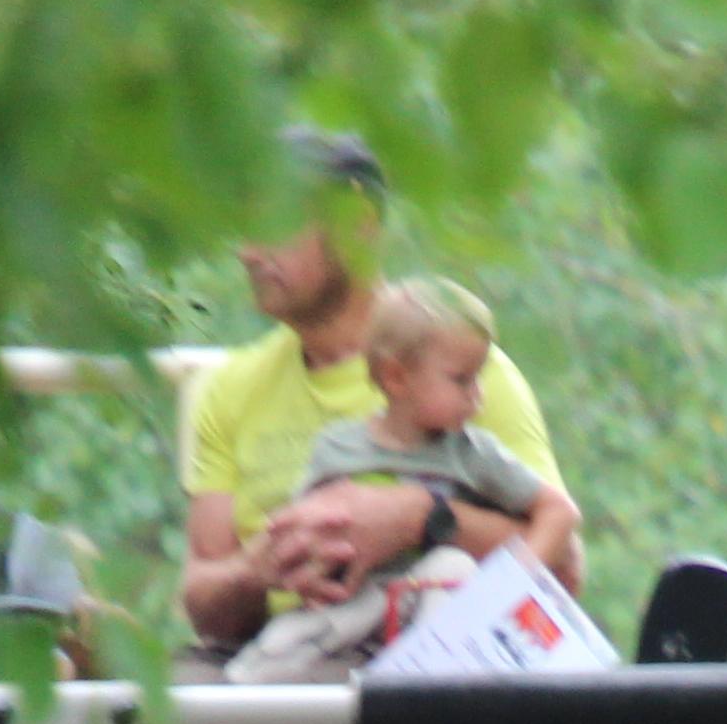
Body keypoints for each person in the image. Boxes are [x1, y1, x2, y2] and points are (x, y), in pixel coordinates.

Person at [179, 129, 571, 665]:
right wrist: (259, 568)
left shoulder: (465, 376)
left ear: (359, 225)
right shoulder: (229, 388)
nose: (248, 252)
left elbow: (565, 574)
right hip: (284, 672)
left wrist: (424, 519)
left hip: (427, 692)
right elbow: (206, 605)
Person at [226, 278, 581, 687]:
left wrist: (507, 585)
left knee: (452, 566)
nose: (478, 397)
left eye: (478, 378)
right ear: (396, 378)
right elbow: (301, 528)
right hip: (357, 603)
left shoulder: (472, 454)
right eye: (462, 380)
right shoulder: (339, 449)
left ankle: (434, 683)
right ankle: (244, 700)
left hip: (435, 606)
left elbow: (559, 512)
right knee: (284, 643)